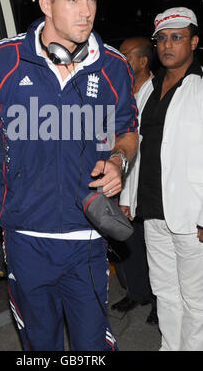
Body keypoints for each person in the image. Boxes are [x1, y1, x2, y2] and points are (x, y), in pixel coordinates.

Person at [0, 0, 138, 351]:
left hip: (88, 239)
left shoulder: (115, 68)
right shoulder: (2, 61)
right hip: (26, 240)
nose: (87, 12)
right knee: (41, 347)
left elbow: (128, 132)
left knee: (93, 350)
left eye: (93, 0)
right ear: (45, 4)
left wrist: (119, 159)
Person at [118, 6, 203, 351]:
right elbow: (134, 143)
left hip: (189, 212)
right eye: (162, 39)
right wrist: (126, 196)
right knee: (165, 291)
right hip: (152, 209)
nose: (168, 45)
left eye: (177, 37)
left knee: (195, 297)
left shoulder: (200, 89)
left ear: (194, 42)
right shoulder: (147, 90)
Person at [111, 37, 158, 325]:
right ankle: (136, 292)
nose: (121, 60)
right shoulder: (122, 91)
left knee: (154, 248)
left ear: (142, 61)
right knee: (127, 243)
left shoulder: (157, 93)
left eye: (126, 55)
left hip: (146, 184)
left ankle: (158, 299)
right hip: (122, 179)